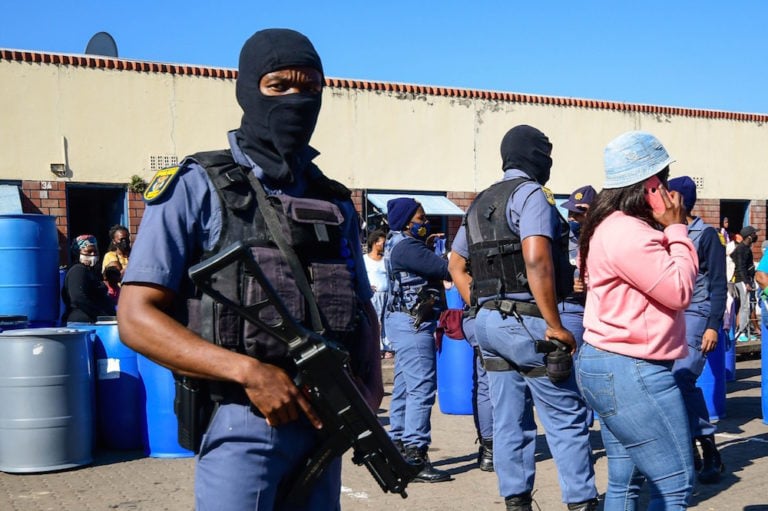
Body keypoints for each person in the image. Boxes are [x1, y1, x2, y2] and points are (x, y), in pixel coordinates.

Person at [117, 29, 382, 511]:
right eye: (278, 86)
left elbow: (362, 305)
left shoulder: (335, 200)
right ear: (247, 89)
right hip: (243, 416)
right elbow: (136, 318)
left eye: (310, 88)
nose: (296, 100)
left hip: (327, 417)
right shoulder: (197, 187)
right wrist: (248, 372)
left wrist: (370, 382)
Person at [448, 125, 598, 511]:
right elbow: (536, 259)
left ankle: (516, 502)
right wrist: (555, 324)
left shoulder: (481, 201)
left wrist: (480, 306)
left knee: (509, 419)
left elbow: (456, 263)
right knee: (565, 416)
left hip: (490, 325)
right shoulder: (530, 194)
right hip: (529, 321)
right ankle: (582, 501)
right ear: (534, 155)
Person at [577, 131, 698, 510]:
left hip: (610, 362)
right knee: (675, 485)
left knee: (624, 484)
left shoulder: (609, 226)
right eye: (660, 181)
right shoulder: (628, 233)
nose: (666, 190)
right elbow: (679, 290)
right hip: (633, 370)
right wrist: (677, 228)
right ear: (648, 185)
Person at [384, 197, 453, 483]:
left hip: (402, 321)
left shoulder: (395, 243)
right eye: (420, 218)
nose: (425, 223)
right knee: (422, 388)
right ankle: (415, 454)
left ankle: (397, 445)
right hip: (413, 323)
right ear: (405, 220)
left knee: (404, 386)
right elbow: (444, 269)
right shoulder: (407, 246)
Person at [667, 176, 727, 484]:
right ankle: (688, 451)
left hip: (696, 314)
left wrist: (713, 327)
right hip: (668, 316)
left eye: (668, 194)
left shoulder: (706, 236)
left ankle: (708, 448)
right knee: (667, 383)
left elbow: (718, 284)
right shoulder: (661, 232)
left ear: (680, 199)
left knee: (682, 378)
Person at [61, 234, 116, 323]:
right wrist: (101, 315)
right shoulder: (78, 270)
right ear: (78, 252)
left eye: (95, 251)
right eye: (89, 251)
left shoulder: (92, 272)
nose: (93, 254)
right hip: (83, 323)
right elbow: (78, 298)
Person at [364, 229, 393, 357]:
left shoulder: (386, 259)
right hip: (373, 295)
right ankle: (376, 348)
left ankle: (387, 346)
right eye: (383, 243)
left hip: (387, 293)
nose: (385, 245)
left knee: (387, 320)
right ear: (375, 243)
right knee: (374, 321)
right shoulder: (365, 259)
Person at [731, 225, 759, 341]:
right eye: (754, 234)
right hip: (741, 281)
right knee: (744, 306)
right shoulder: (741, 249)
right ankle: (741, 332)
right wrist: (746, 282)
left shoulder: (747, 248)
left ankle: (746, 331)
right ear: (749, 236)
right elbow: (741, 267)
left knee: (747, 306)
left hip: (746, 280)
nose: (755, 235)